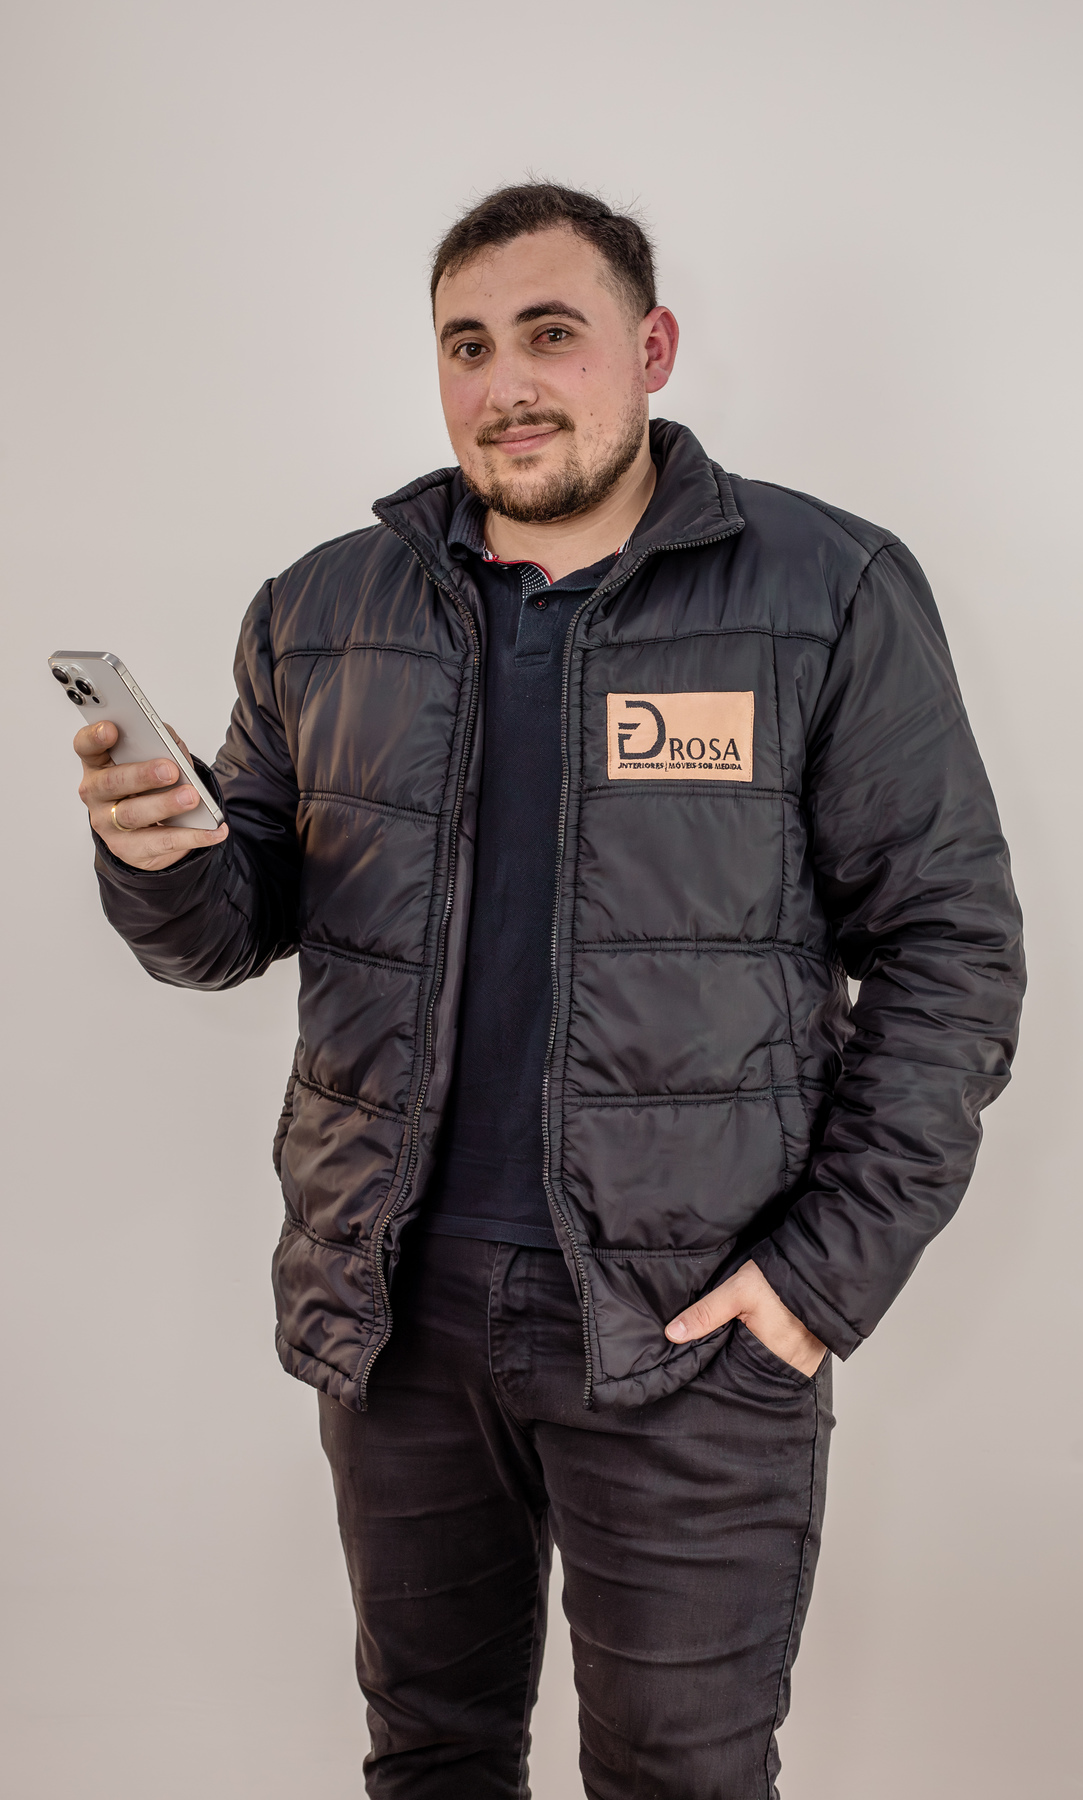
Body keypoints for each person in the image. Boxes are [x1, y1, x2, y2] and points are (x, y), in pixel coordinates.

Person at [73, 183, 1025, 1799]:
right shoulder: (324, 610)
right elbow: (229, 929)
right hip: (397, 1316)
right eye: (466, 345)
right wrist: (156, 853)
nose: (505, 381)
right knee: (431, 1756)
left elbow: (952, 952)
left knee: (680, 1776)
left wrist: (815, 1281)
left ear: (651, 350)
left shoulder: (826, 589)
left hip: (691, 1323)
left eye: (550, 334)